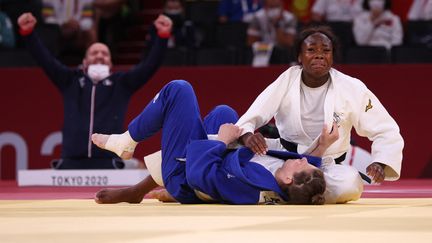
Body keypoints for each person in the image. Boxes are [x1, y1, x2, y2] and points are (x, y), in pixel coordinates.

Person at [91, 80, 337, 205]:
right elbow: (311, 168)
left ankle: (127, 140)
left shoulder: (251, 188)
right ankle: (137, 191)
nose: (302, 158)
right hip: (217, 159)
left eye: (302, 164)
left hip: (184, 175)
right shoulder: (290, 185)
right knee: (224, 113)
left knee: (179, 90)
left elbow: (200, 175)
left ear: (287, 179)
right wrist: (323, 145)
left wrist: (222, 141)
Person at [236, 25, 404, 203]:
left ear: (332, 57)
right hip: (285, 160)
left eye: (326, 50)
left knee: (349, 183)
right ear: (299, 57)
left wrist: (381, 161)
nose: (319, 55)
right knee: (242, 158)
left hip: (326, 165)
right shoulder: (287, 80)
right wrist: (247, 135)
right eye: (311, 50)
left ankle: (283, 191)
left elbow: (385, 129)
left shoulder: (352, 87)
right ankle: (301, 192)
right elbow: (254, 113)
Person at [17, 12, 172, 169]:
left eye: (104, 53)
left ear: (111, 63)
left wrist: (162, 37)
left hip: (110, 162)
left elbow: (149, 66)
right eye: (94, 53)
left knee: (142, 170)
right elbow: (45, 60)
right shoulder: (70, 80)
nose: (99, 56)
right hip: (71, 161)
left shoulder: (121, 84)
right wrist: (29, 34)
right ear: (84, 61)